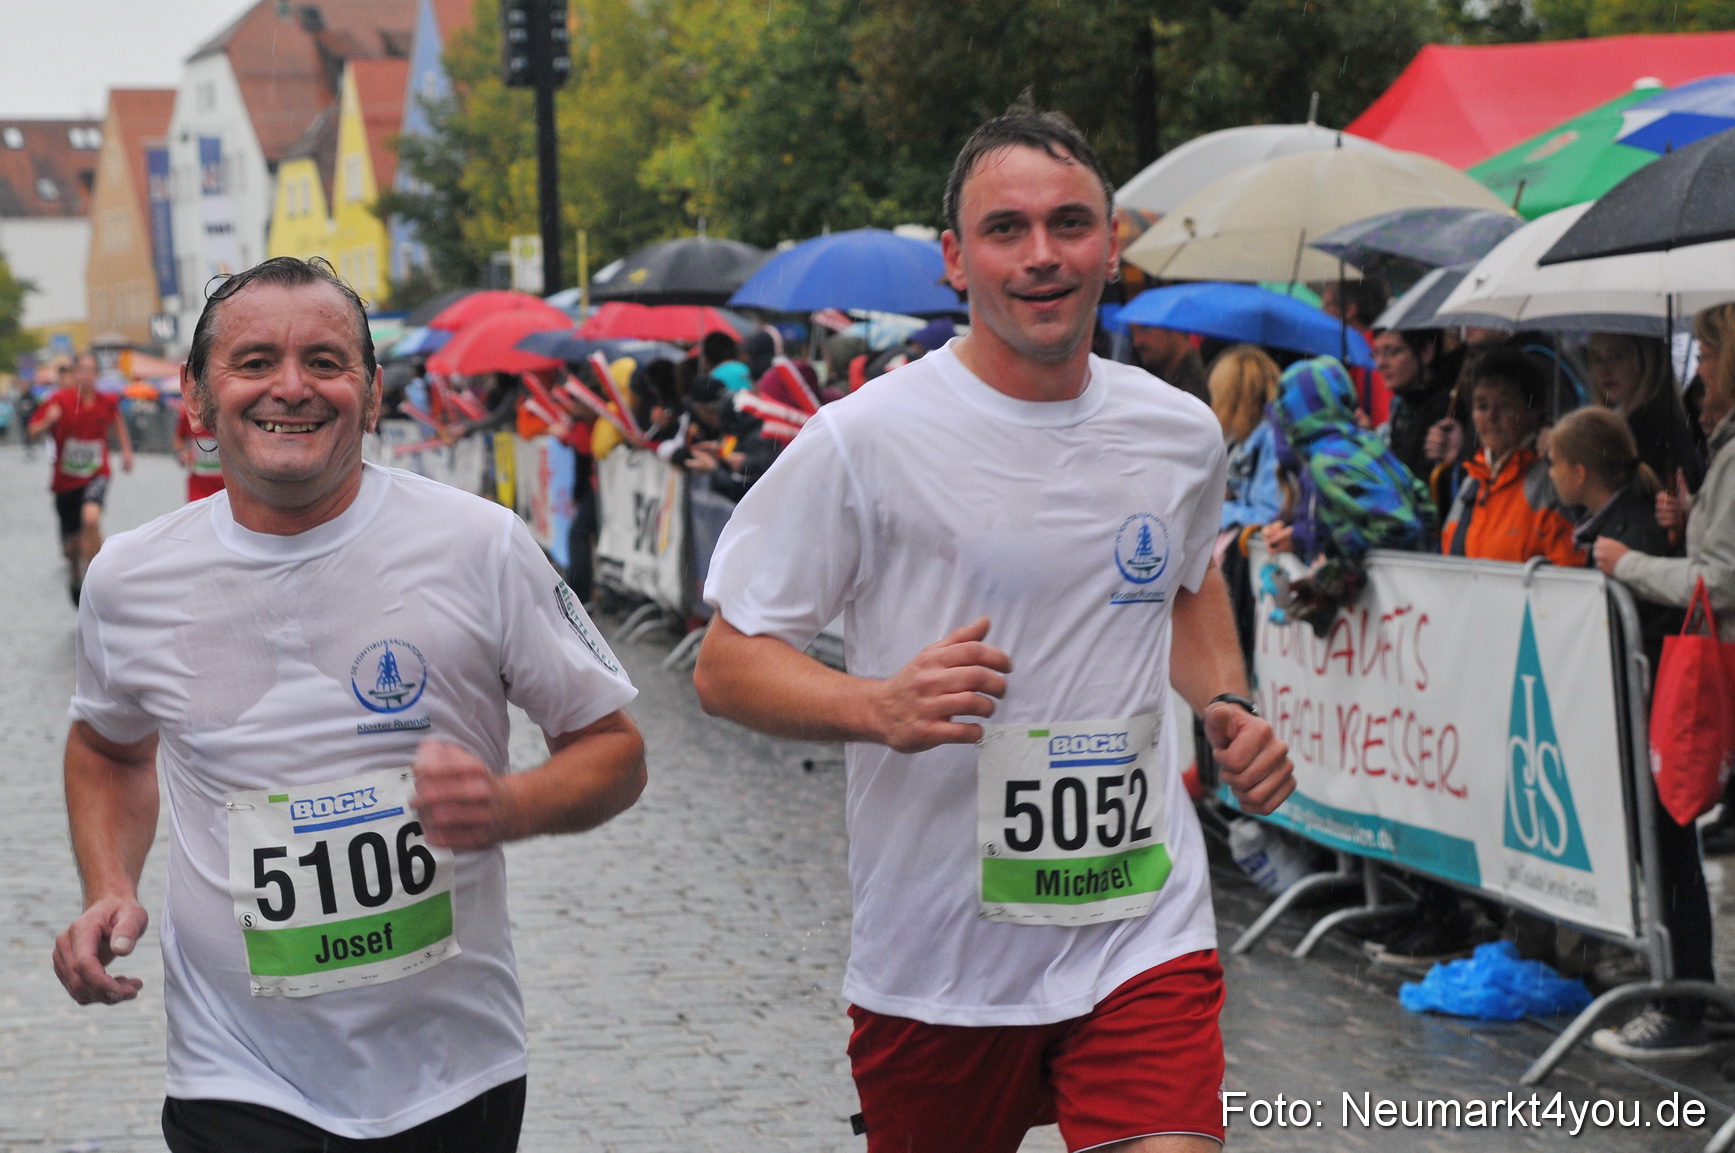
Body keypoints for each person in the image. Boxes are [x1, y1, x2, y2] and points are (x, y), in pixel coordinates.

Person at [694, 102, 1293, 1153]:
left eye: (1070, 223)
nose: (1041, 255)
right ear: (954, 261)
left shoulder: (1177, 430)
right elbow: (725, 664)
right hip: (939, 956)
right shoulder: (864, 440)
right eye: (1005, 230)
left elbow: (1188, 585)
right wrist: (872, 704)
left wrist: (1227, 705)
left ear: (1113, 245)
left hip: (1137, 924)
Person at [51, 257, 647, 1152]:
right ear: (198, 397)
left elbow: (614, 747)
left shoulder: (478, 544)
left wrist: (511, 804)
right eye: (254, 362)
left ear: (370, 395)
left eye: (326, 362)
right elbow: (111, 748)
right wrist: (108, 885)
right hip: (235, 1069)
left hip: (451, 1069)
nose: (291, 387)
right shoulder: (132, 578)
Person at [1583, 304, 1735, 1057]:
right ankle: (1690, 990)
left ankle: (1683, 1000)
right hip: (1704, 662)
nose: (1699, 365)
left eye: (1708, 350)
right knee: (1672, 832)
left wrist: (1631, 564)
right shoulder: (1721, 444)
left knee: (1673, 832)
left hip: (1709, 667)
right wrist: (1688, 520)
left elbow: (1720, 580)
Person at [1440, 347, 1583, 566]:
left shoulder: (1553, 481)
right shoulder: (1472, 482)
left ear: (1534, 410)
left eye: (1505, 405)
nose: (1491, 417)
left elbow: (1567, 572)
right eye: (1482, 406)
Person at [28, 351, 134, 604]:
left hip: (96, 474)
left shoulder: (106, 401)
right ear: (75, 374)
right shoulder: (59, 401)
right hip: (66, 481)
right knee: (72, 544)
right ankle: (76, 572)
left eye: (91, 370)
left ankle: (97, 578)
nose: (87, 374)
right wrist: (48, 422)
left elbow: (117, 422)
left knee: (92, 517)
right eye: (82, 369)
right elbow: (32, 431)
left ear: (97, 374)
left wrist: (127, 451)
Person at [1584, 332, 1703, 495]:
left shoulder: (1650, 427)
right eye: (1597, 358)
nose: (1605, 370)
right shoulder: (1630, 420)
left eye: (1617, 356)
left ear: (1647, 358)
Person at [1208, 344, 1282, 538]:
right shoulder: (1243, 436)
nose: (1212, 404)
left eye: (1217, 395)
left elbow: (1268, 516)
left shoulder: (1272, 440)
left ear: (1231, 398)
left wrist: (1210, 512)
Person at [1376, 327, 1461, 483]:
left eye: (1391, 352)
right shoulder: (1402, 405)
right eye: (1377, 353)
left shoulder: (1447, 405)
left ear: (1425, 353)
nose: (1381, 363)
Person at [1128, 321, 1208, 403]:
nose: (1137, 341)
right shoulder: (1142, 375)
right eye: (1132, 332)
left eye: (1146, 328)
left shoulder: (1196, 391)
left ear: (1174, 327)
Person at [173, 400, 225, 502]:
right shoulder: (190, 413)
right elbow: (179, 437)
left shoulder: (228, 413)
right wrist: (181, 454)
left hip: (228, 487)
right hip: (199, 485)